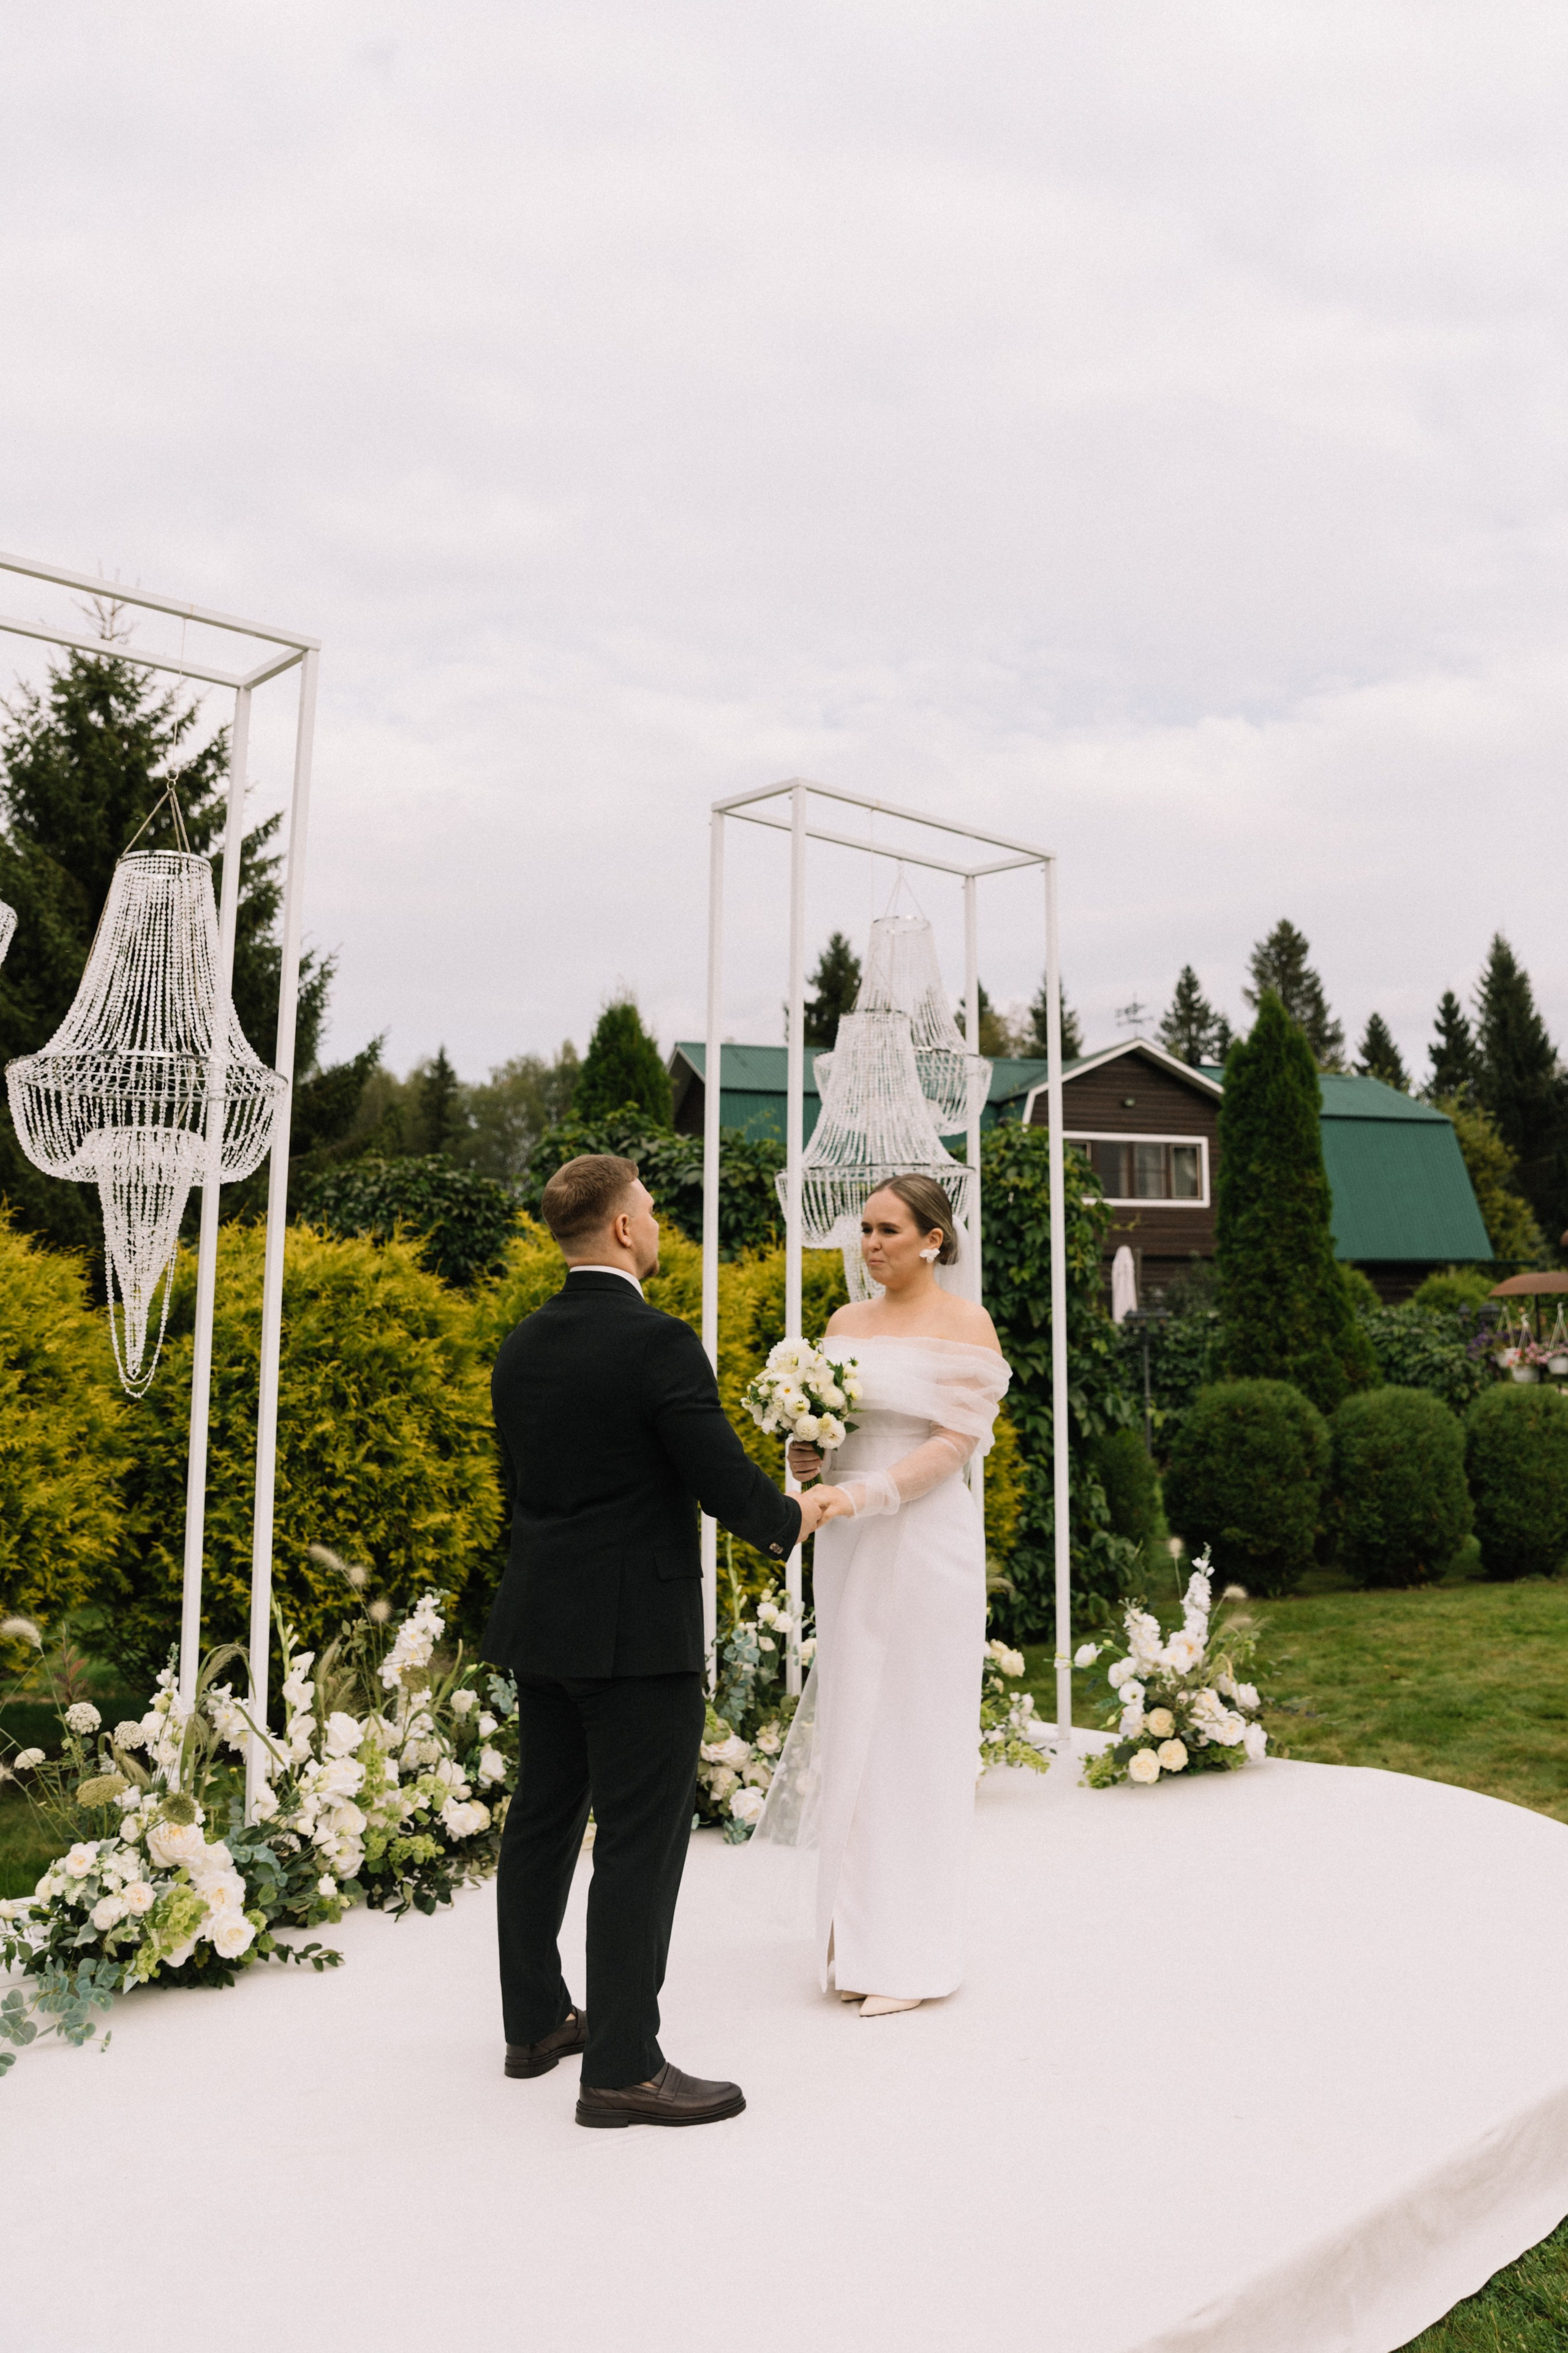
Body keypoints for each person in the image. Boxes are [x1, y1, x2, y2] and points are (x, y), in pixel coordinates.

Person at [484, 1152, 833, 2127]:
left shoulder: (521, 1344)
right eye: (649, 1208)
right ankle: (623, 2067)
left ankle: (538, 2023)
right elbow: (722, 1483)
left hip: (543, 1623)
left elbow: (545, 1482)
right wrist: (793, 1510)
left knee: (544, 1818)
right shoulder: (658, 1342)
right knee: (639, 1841)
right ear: (624, 1230)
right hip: (637, 1636)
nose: (657, 1222)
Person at [770, 1174, 1011, 2019]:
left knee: (917, 1730)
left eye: (888, 1229)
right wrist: (810, 1462)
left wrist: (860, 1493)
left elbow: (954, 1444)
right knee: (855, 1724)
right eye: (864, 1228)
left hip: (925, 1538)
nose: (870, 1244)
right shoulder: (842, 1326)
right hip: (846, 1537)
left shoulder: (965, 1324)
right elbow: (830, 1434)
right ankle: (855, 1936)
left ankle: (910, 1952)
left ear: (934, 1240)